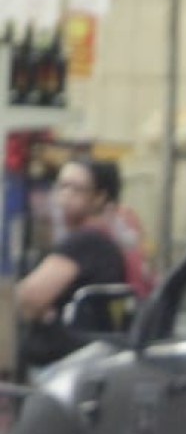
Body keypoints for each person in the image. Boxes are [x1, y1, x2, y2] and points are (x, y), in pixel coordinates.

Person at [19, 157, 131, 372]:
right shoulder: (103, 240)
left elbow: (30, 296)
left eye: (76, 189)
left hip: (64, 365)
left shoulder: (85, 241)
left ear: (100, 197)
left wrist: (46, 314)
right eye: (62, 186)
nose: (65, 195)